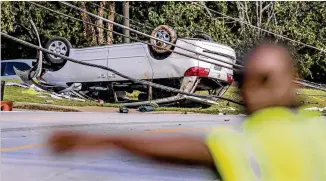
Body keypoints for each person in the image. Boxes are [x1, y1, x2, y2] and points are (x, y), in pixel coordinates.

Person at [48, 42, 326, 181]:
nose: (252, 90)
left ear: (294, 79)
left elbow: (196, 149)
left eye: (263, 79)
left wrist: (108, 141)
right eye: (243, 81)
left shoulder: (250, 143)